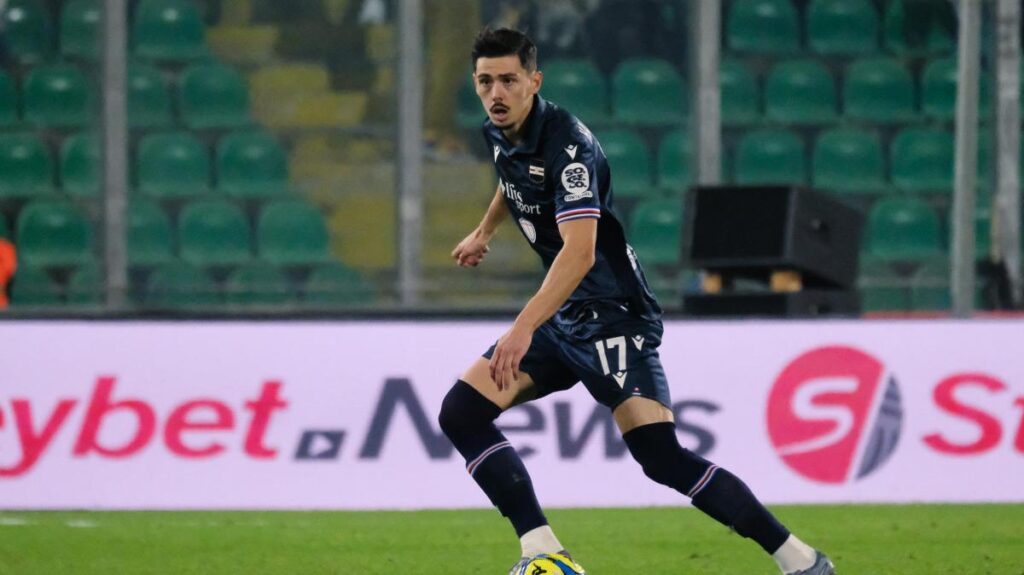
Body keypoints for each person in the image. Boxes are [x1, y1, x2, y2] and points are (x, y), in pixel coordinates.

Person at [437, 27, 836, 575]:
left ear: (535, 81)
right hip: (564, 313)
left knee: (662, 457)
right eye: (485, 82)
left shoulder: (569, 149)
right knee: (461, 413)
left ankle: (802, 561)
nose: (496, 93)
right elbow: (514, 180)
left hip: (612, 314)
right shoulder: (498, 129)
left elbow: (580, 254)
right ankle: (542, 551)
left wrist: (522, 327)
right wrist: (484, 231)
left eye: (508, 80)